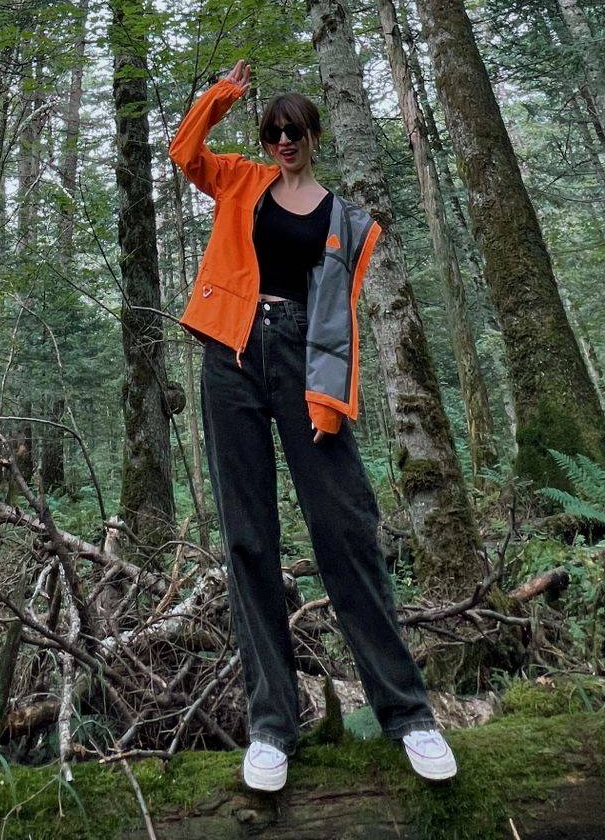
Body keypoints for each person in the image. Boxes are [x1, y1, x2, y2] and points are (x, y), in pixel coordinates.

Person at [169, 58, 457, 791]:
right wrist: (221, 97)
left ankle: (408, 714)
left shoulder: (348, 222)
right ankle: (272, 726)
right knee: (248, 537)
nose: (284, 141)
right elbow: (184, 154)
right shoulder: (239, 181)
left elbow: (340, 324)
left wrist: (330, 399)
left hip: (302, 360)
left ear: (314, 136)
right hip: (230, 356)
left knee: (347, 529)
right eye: (274, 131)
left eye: (295, 131)